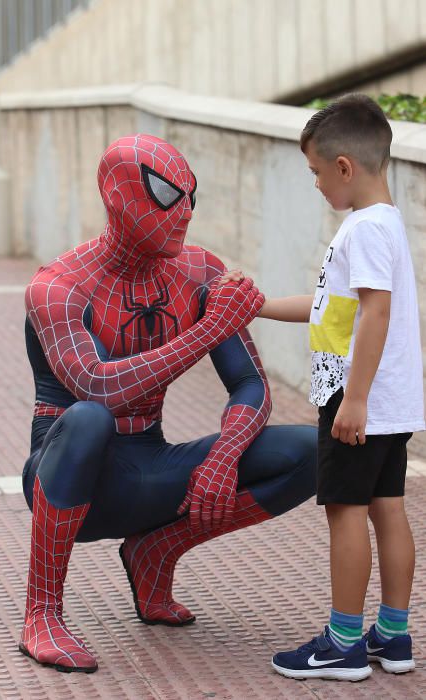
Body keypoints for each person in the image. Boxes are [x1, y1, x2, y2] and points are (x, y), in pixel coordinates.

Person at [19, 133, 317, 673]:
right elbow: (95, 388)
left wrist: (225, 456)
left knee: (316, 452)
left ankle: (156, 550)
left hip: (152, 464)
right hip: (67, 474)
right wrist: (207, 332)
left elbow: (250, 384)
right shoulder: (58, 285)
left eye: (191, 196)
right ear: (116, 196)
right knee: (88, 420)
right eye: (164, 193)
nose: (183, 211)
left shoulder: (199, 270)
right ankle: (41, 612)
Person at [222, 94, 425, 681]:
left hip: (356, 398)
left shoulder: (361, 230)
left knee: (345, 511)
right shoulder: (386, 224)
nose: (314, 184)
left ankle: (342, 644)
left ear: (344, 167)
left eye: (315, 172)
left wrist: (354, 399)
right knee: (388, 509)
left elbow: (374, 316)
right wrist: (256, 304)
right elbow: (327, 310)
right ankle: (392, 634)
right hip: (392, 401)